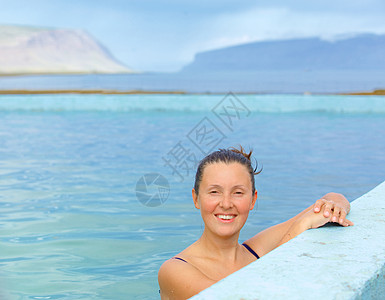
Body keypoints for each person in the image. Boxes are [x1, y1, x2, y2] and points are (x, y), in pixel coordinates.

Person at [158, 146, 353, 299]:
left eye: (238, 193)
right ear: (196, 198)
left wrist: (334, 206)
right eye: (214, 192)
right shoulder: (175, 270)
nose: (226, 204)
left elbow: (333, 196)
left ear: (253, 199)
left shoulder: (256, 250)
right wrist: (297, 232)